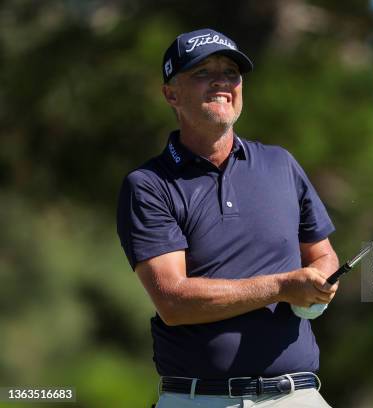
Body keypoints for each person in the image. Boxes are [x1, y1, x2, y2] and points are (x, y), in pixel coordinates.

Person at [116, 28, 339, 408]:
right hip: (199, 398)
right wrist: (284, 287)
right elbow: (173, 301)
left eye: (231, 73)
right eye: (203, 72)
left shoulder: (280, 163)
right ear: (171, 94)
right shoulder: (149, 185)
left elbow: (323, 254)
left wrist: (320, 283)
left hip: (296, 394)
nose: (222, 81)